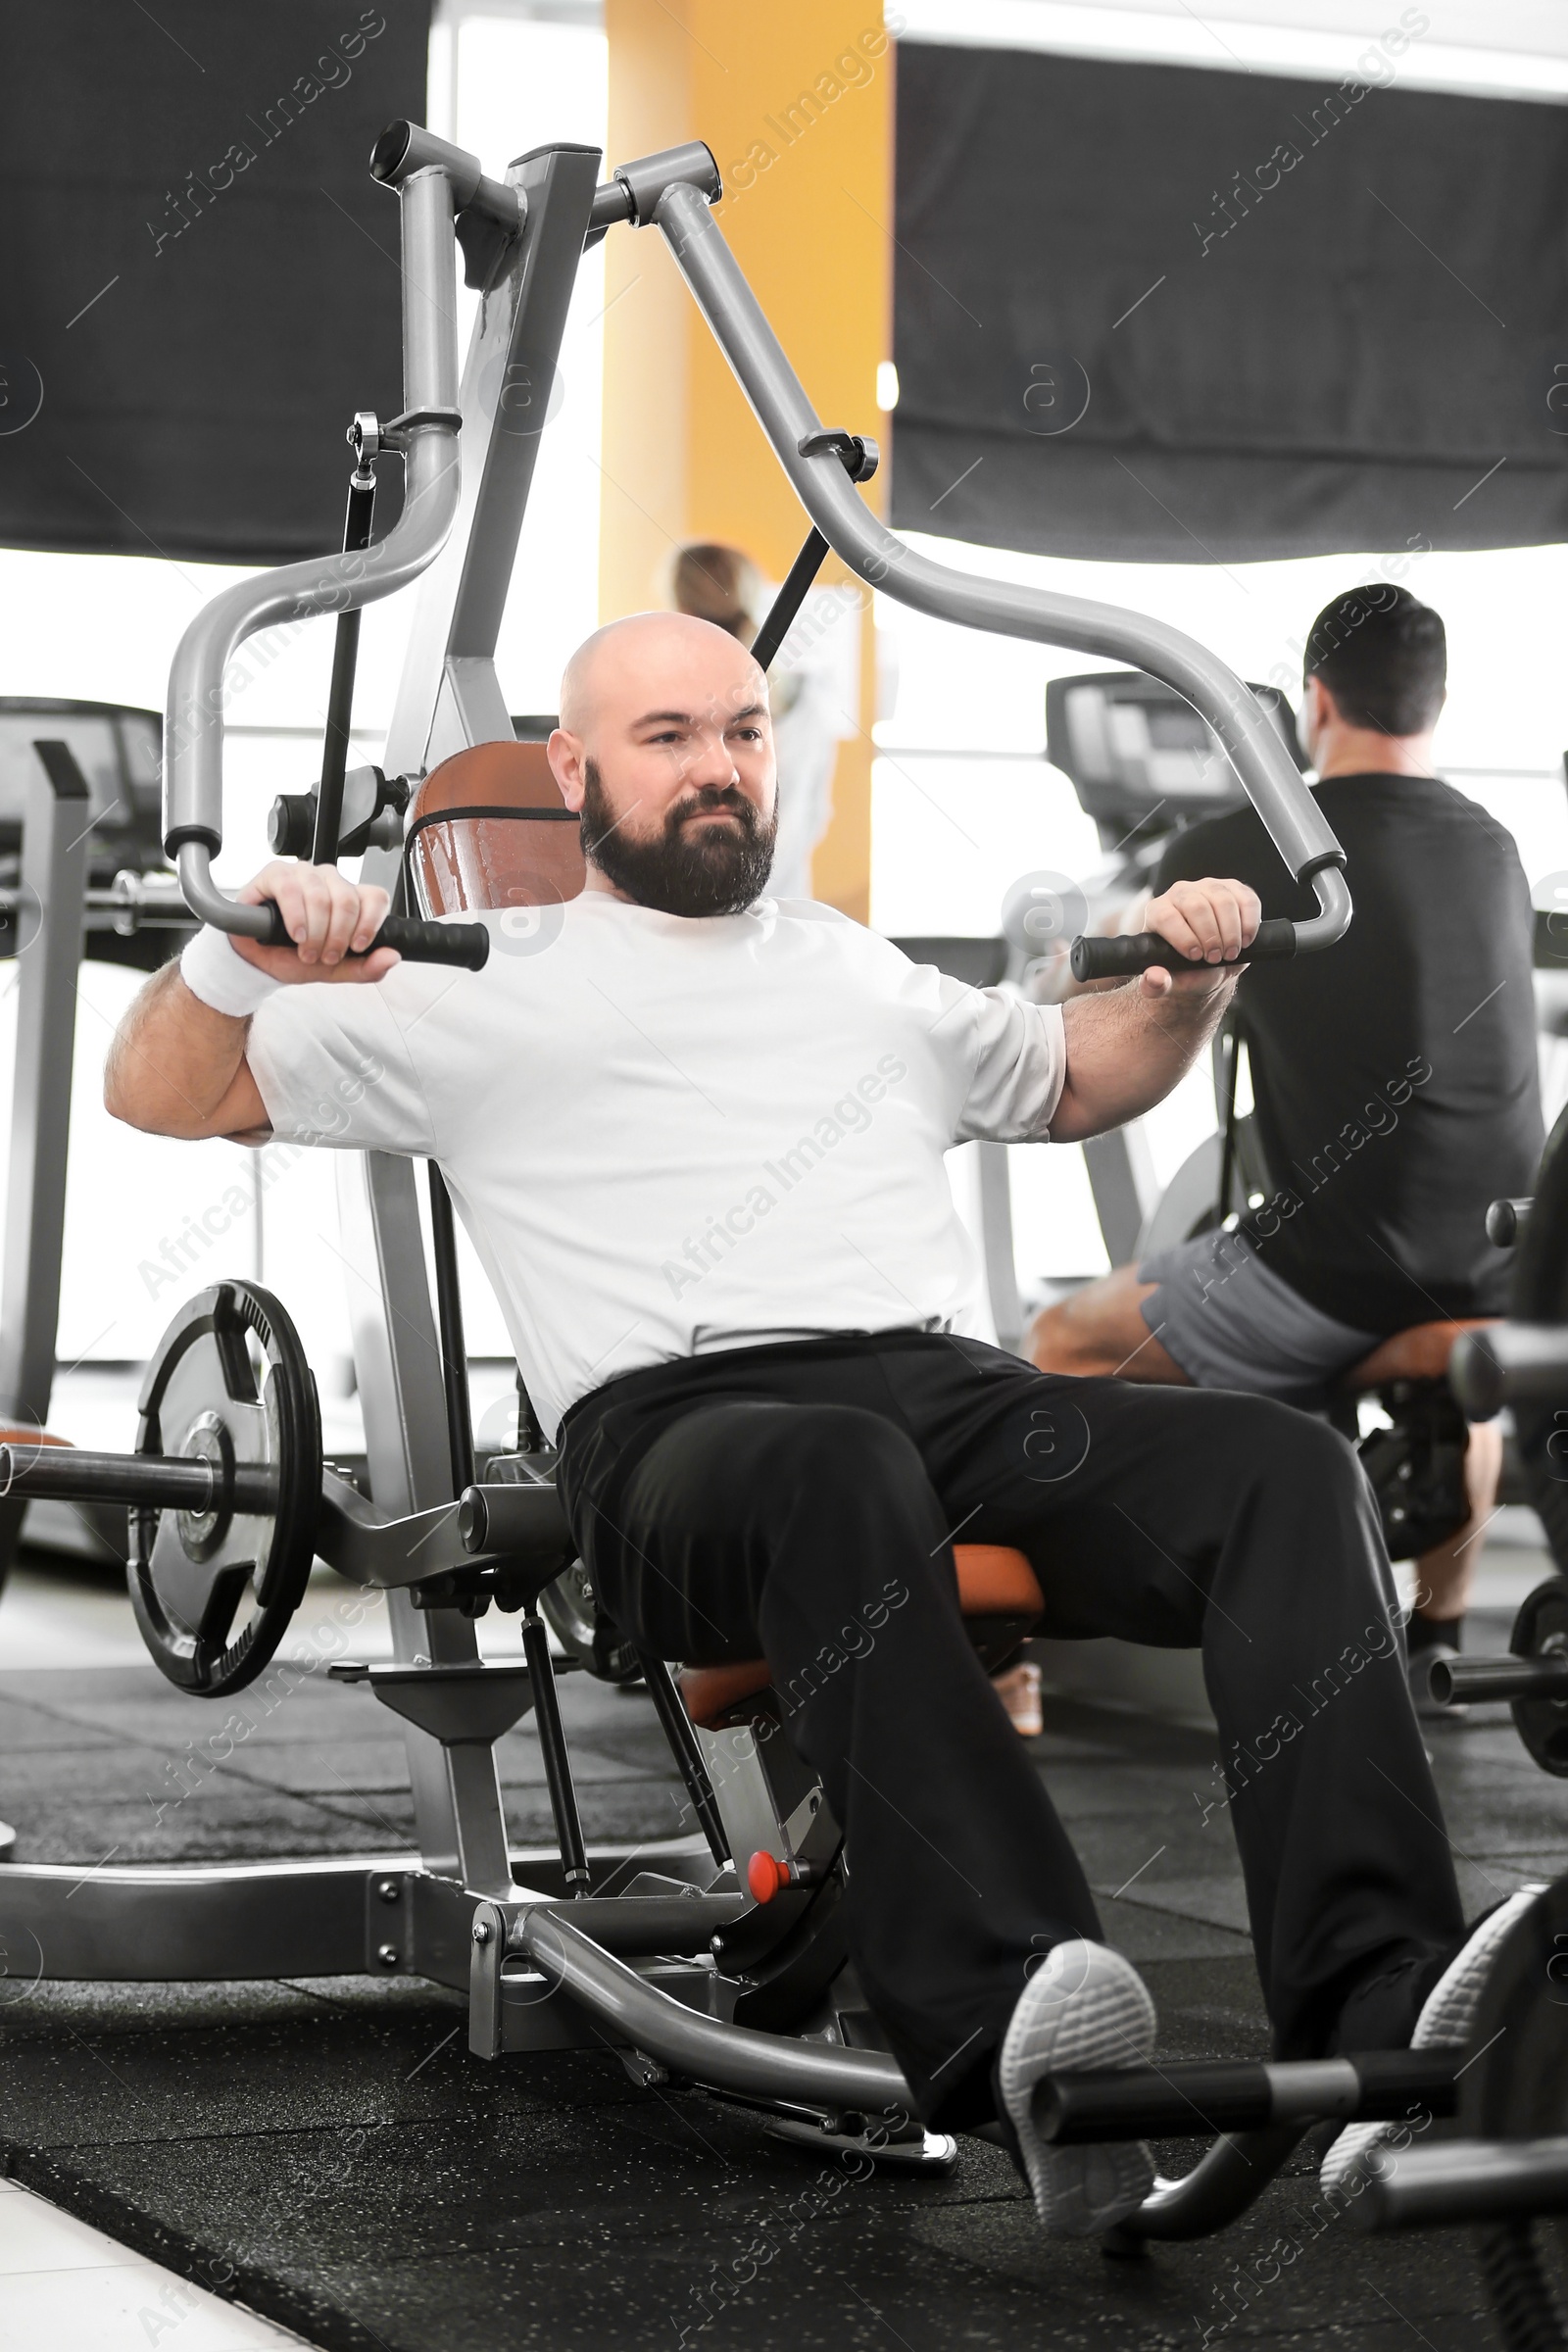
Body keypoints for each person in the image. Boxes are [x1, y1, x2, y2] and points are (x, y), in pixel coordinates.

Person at [106, 610, 1515, 2236]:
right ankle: (1010, 2019)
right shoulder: (471, 979)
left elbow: (1064, 1076)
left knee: (1280, 1468)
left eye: (744, 732)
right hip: (674, 1435)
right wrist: (237, 950)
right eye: (671, 738)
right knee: (836, 1467)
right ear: (571, 772)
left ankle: (1381, 2002)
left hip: (943, 1393)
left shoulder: (844, 960)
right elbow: (164, 1089)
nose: (720, 767)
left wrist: (1193, 984)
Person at [1028, 586, 1544, 1706]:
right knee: (1457, 1369)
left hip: (1336, 1274)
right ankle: (1436, 1635)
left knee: (1061, 1337)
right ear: (1436, 700)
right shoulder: (1494, 844)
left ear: (1314, 700)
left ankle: (1077, 1628)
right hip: (1505, 1257)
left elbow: (1090, 970)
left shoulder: (1262, 840)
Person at [669, 539, 842, 903]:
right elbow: (818, 816)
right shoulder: (806, 703)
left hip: (701, 914)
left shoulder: (669, 712)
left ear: (681, 609)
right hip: (787, 910)